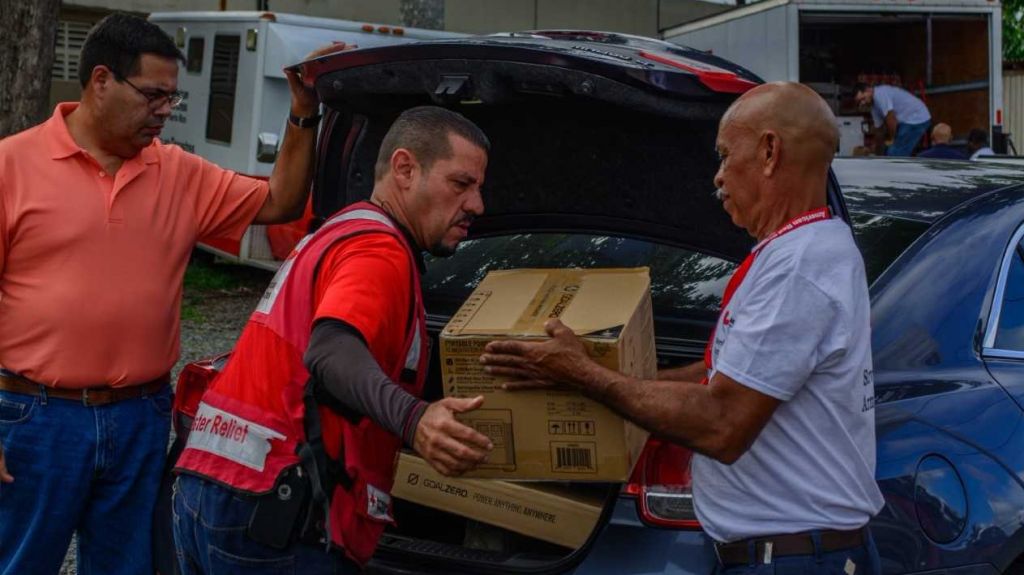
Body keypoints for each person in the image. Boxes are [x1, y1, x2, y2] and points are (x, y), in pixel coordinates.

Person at [481, 82, 885, 574]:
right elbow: (722, 375)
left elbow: (723, 424)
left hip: (792, 560)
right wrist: (585, 367)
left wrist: (584, 376)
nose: (716, 177)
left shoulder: (801, 266)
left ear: (769, 151)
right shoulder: (803, 250)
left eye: (723, 155)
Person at [0, 13, 344, 575]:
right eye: (154, 95)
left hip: (140, 415)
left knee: (128, 566)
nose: (166, 110)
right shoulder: (11, 165)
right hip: (35, 418)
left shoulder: (179, 173)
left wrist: (303, 113)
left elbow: (279, 201)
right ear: (101, 81)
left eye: (173, 98)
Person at [172, 106, 494, 573]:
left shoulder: (342, 229)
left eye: (479, 188)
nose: (477, 205)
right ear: (404, 168)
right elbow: (330, 350)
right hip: (277, 514)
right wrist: (415, 419)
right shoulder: (378, 250)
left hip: (211, 489)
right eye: (461, 184)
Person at [855, 82, 931, 157]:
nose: (862, 103)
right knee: (892, 149)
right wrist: (876, 150)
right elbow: (879, 130)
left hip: (917, 117)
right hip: (906, 120)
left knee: (894, 153)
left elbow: (891, 119)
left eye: (863, 99)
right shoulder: (874, 107)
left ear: (869, 90)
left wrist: (892, 140)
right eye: (860, 102)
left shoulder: (880, 94)